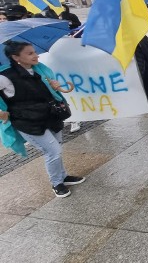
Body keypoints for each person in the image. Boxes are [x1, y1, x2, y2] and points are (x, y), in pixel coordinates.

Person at [0, 41, 85, 198]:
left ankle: (62, 176)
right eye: (30, 53)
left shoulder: (40, 71)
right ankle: (56, 183)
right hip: (28, 122)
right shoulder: (5, 77)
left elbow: (47, 92)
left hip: (50, 116)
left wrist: (53, 85)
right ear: (15, 57)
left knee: (57, 148)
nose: (35, 55)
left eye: (34, 52)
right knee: (53, 151)